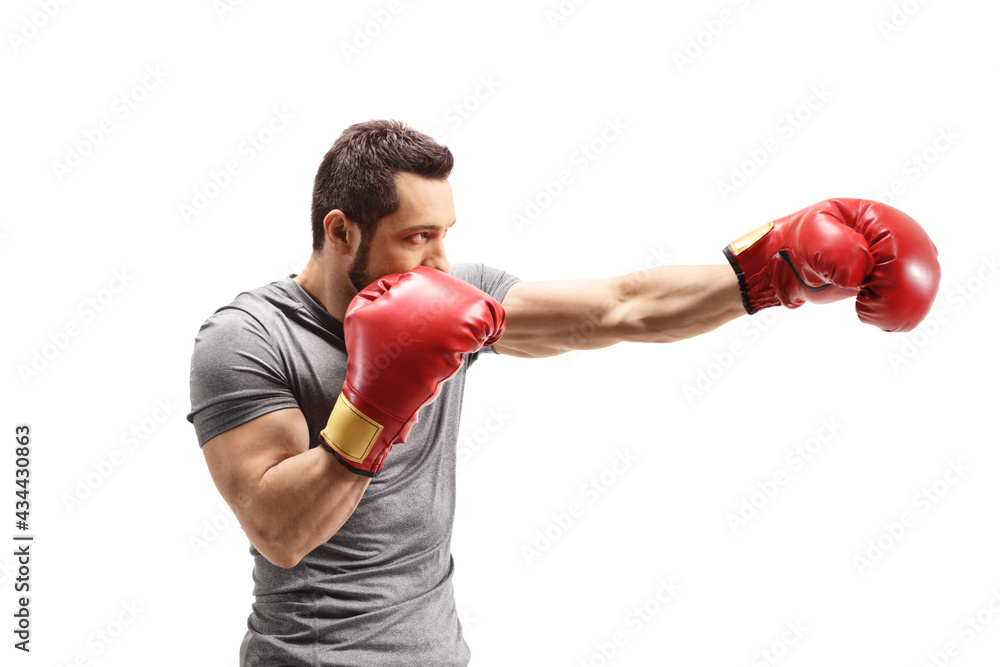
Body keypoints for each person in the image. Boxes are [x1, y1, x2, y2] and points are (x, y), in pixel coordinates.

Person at [186, 119, 940, 666]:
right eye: (417, 237)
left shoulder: (450, 296)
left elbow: (619, 306)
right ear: (340, 231)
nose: (441, 261)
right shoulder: (247, 338)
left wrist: (768, 273)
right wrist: (375, 402)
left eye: (446, 234)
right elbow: (280, 529)